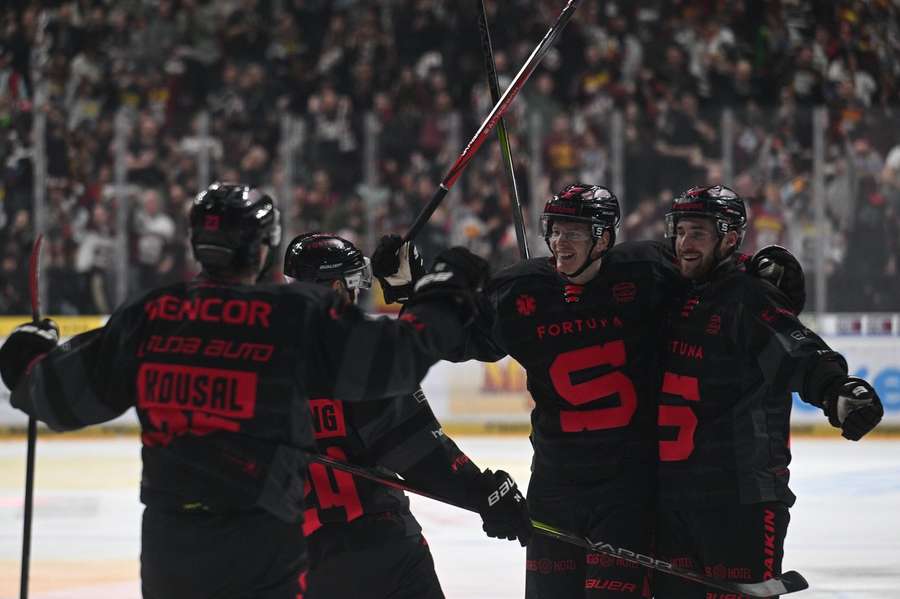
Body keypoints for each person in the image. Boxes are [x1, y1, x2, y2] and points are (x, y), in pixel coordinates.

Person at [0, 182, 489, 599]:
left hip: (172, 545)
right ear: (263, 249)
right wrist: (442, 288)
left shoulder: (151, 315)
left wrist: (26, 355)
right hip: (262, 541)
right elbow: (397, 360)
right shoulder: (291, 315)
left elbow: (57, 398)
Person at [373, 183, 809, 599]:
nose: (562, 241)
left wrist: (759, 268)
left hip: (627, 494)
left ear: (603, 238)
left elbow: (712, 276)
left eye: (576, 232)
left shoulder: (646, 272)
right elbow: (454, 336)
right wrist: (411, 286)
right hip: (554, 489)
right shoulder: (519, 290)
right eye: (557, 230)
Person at [654, 184, 884, 598]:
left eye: (698, 234)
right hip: (673, 496)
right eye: (681, 231)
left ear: (729, 238)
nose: (685, 244)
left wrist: (836, 388)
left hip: (738, 500)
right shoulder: (671, 292)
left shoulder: (746, 295)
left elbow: (796, 349)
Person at [282, 232, 531, 599]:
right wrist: (486, 493)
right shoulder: (357, 356)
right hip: (381, 552)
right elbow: (419, 452)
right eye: (353, 286)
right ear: (336, 288)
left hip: (299, 564)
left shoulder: (258, 361)